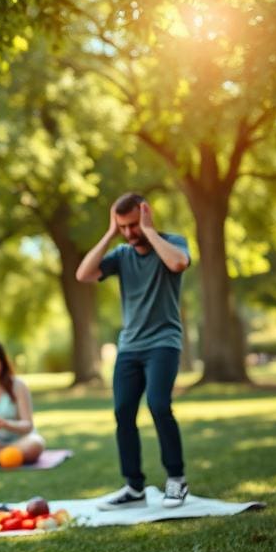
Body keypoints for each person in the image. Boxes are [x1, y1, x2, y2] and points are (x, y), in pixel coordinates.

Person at [76, 192, 192, 510]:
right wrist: (109, 234)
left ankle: (176, 480)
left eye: (133, 225)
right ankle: (134, 487)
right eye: (122, 227)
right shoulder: (121, 254)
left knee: (158, 404)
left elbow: (178, 263)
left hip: (163, 343)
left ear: (144, 216)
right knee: (123, 412)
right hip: (130, 347)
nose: (129, 233)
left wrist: (150, 231)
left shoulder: (173, 242)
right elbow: (83, 274)